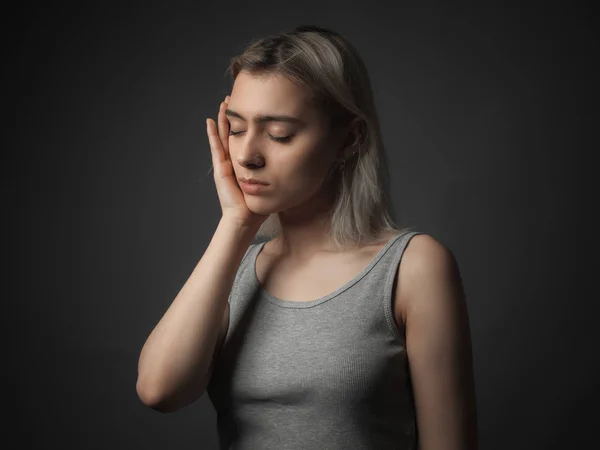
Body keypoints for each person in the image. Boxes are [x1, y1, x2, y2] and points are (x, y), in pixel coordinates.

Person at [136, 25, 478, 450]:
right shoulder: (232, 268)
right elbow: (159, 391)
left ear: (349, 138)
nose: (246, 155)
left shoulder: (413, 266)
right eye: (237, 128)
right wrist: (235, 224)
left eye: (279, 133)